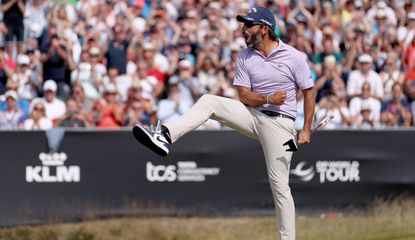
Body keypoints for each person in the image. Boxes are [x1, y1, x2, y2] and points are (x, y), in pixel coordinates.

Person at [132, 7, 315, 240]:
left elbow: (309, 93)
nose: (243, 29)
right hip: (252, 114)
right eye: (243, 25)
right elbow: (244, 97)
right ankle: (165, 136)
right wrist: (268, 98)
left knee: (279, 186)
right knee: (209, 101)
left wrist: (307, 128)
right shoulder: (244, 57)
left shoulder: (294, 57)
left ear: (265, 29)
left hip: (280, 125)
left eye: (249, 25)